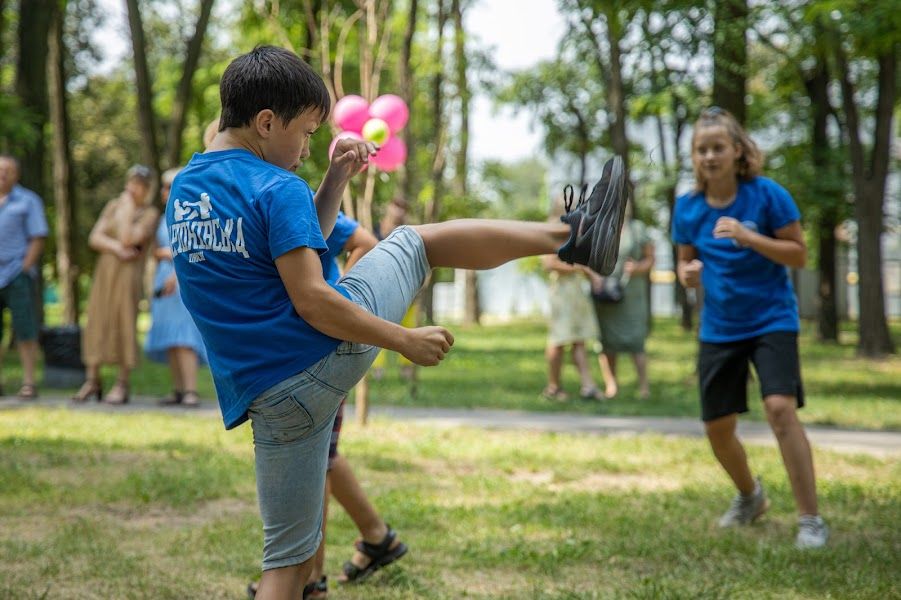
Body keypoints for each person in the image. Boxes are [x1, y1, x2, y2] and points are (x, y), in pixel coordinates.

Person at [167, 45, 627, 600]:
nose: (309, 146)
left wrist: (334, 181)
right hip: (319, 357)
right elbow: (313, 298)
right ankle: (572, 237)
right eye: (308, 133)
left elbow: (288, 245)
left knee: (285, 565)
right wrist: (402, 339)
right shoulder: (276, 185)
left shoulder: (187, 189)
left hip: (268, 399)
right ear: (266, 122)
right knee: (418, 241)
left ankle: (576, 237)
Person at [672, 106, 828, 549]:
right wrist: (688, 275)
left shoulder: (767, 195)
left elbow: (799, 254)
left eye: (717, 147)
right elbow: (685, 263)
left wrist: (749, 236)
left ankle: (811, 520)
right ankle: (750, 496)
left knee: (780, 408)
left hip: (771, 319)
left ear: (738, 151)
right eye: (701, 149)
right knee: (717, 428)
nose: (709, 156)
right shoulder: (687, 207)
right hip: (719, 327)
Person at [247, 212, 408, 599]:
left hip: (320, 346)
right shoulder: (261, 201)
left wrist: (338, 298)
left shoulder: (295, 202)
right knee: (325, 457)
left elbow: (366, 242)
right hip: (297, 349)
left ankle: (311, 578)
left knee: (315, 460)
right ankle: (376, 536)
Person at [73, 165, 159, 405]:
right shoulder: (113, 206)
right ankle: (93, 380)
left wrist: (128, 211)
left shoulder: (149, 214)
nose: (133, 189)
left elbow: (129, 238)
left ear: (147, 189)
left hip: (128, 276)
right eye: (131, 182)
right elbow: (95, 237)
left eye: (139, 185)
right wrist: (117, 249)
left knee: (124, 321)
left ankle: (122, 383)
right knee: (97, 319)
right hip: (106, 272)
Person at [145, 167, 208, 407]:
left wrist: (175, 274)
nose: (164, 191)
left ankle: (191, 389)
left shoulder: (193, 215)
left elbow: (195, 249)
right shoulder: (163, 217)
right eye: (163, 186)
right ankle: (178, 388)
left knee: (184, 337)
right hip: (163, 277)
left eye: (169, 186)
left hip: (181, 279)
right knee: (171, 337)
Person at [541, 195, 603, 401]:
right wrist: (581, 268)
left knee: (579, 339)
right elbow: (549, 264)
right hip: (561, 292)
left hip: (575, 291)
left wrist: (588, 273)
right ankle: (553, 387)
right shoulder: (552, 228)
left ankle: (588, 385)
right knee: (558, 340)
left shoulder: (573, 228)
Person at [591, 200, 655, 399]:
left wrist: (638, 268)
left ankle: (644, 386)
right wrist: (594, 277)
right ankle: (612, 386)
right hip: (605, 294)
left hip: (632, 293)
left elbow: (650, 259)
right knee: (607, 341)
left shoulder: (638, 229)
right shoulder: (598, 228)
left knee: (636, 340)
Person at [0, 155, 49, 400]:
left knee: (25, 329)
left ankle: (29, 382)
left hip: (16, 274)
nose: (2, 174)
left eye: (7, 170)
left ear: (16, 175)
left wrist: (24, 268)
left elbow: (38, 237)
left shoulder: (28, 201)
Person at [371, 197, 416, 381]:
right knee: (379, 328)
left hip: (408, 287)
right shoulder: (374, 230)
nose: (398, 211)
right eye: (395, 206)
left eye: (402, 208)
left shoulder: (410, 232)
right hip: (381, 288)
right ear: (388, 207)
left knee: (409, 329)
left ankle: (406, 370)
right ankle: (377, 370)